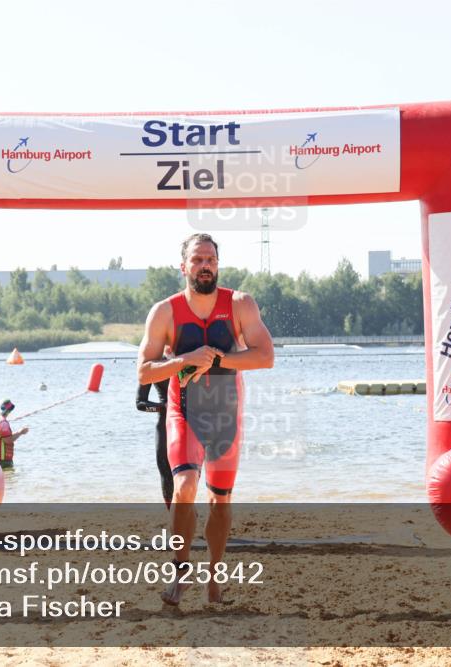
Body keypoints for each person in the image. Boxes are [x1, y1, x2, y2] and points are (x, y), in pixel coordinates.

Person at [137, 233, 274, 605]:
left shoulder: (240, 304)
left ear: (218, 264)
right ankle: (181, 571)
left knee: (221, 501)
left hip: (226, 415)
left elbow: (265, 357)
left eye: (210, 259)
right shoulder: (164, 312)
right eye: (197, 260)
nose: (205, 266)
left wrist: (217, 360)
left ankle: (215, 577)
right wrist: (185, 359)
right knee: (184, 487)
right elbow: (144, 372)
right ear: (183, 267)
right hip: (185, 412)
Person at [136, 378, 172, 508]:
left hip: (193, 422)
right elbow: (140, 404)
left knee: (191, 472)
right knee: (165, 469)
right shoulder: (153, 364)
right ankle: (172, 513)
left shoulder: (191, 359)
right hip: (165, 423)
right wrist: (164, 407)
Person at [0, 398, 29, 468]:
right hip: (2, 460)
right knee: (8, 477)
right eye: (10, 409)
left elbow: (5, 438)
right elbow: (7, 440)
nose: (10, 411)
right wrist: (20, 432)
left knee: (9, 478)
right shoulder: (2, 422)